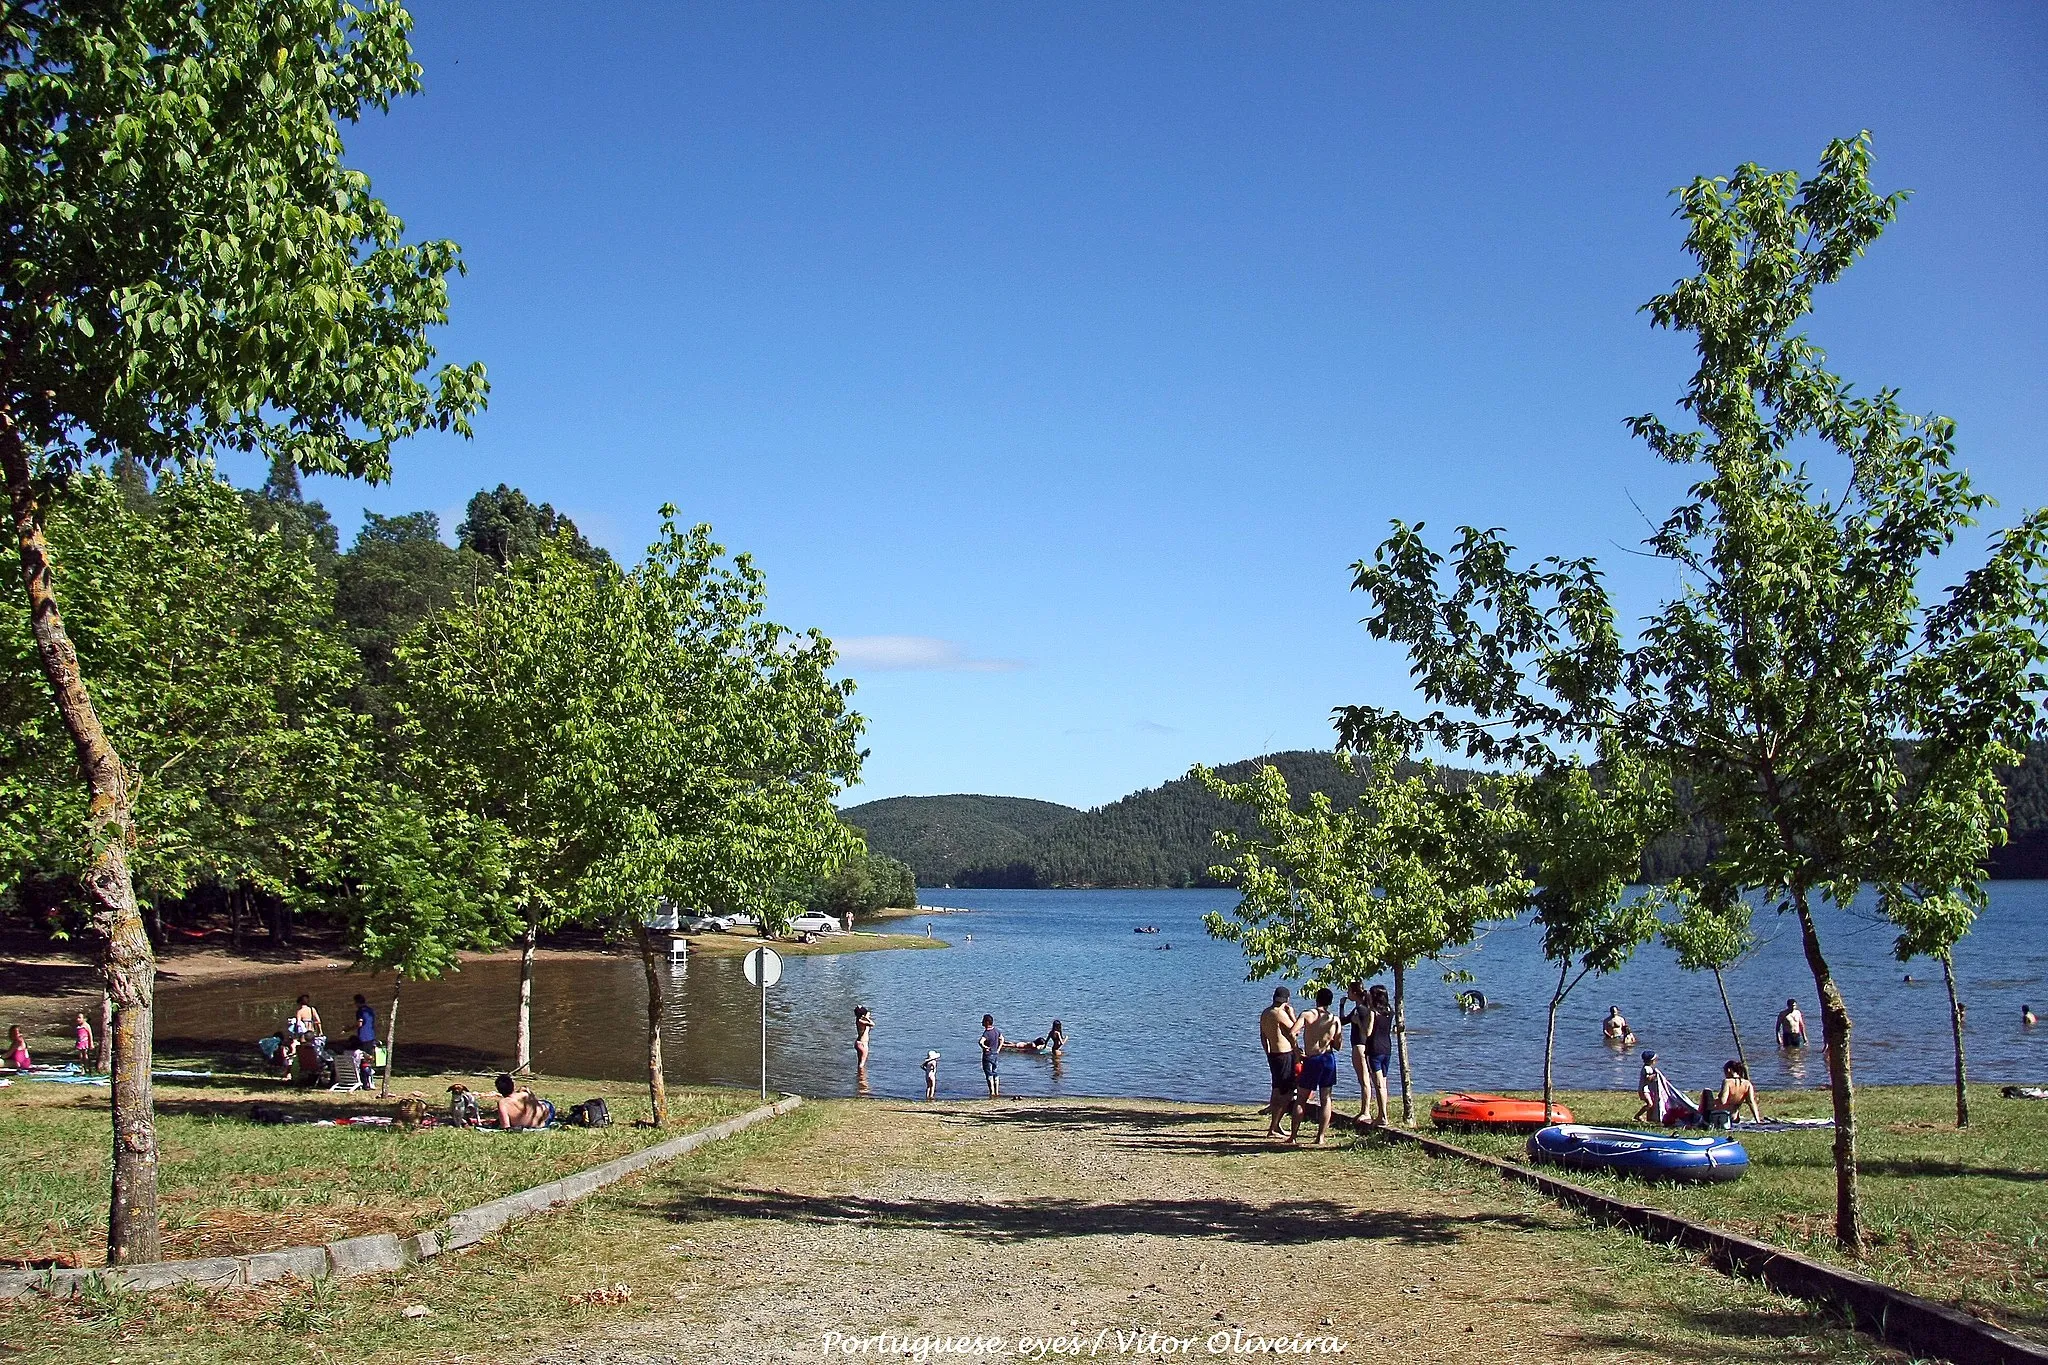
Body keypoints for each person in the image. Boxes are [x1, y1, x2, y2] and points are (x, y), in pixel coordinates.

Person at [1292, 987, 1343, 1145]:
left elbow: (1292, 1031)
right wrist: (1328, 1038)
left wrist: (1296, 1050)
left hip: (1312, 1059)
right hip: (1327, 1059)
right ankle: (1320, 1136)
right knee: (1326, 1098)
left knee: (1301, 1098)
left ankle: (1293, 1136)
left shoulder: (1307, 1014)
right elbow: (1338, 1045)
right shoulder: (1334, 1019)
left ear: (1316, 999)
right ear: (1330, 1002)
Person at [1258, 986, 1302, 1138]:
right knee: (1287, 1092)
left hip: (1273, 1054)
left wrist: (1267, 1052)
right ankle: (1274, 1126)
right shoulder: (1279, 1014)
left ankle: (1274, 1126)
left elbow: (1263, 1036)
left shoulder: (1265, 1013)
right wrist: (1292, 1014)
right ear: (1287, 1000)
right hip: (1283, 1054)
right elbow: (1296, 1030)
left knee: (1277, 1089)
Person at [1340, 982, 1372, 1120]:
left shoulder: (1361, 1009)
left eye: (1348, 991)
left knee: (1364, 1080)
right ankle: (1364, 1110)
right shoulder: (1359, 1008)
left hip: (1360, 1046)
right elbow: (1343, 1021)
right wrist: (1341, 1006)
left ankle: (1366, 1111)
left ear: (1354, 993)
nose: (1347, 994)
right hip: (1359, 1046)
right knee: (1363, 1079)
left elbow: (1366, 1030)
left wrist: (1357, 1021)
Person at [1701, 1059, 1762, 1128]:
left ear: (1729, 1070)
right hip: (1734, 1117)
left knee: (1707, 1092)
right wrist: (1758, 1120)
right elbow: (1751, 1102)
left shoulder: (1727, 1082)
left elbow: (1723, 1101)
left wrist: (1716, 1099)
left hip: (1721, 1115)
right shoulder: (1747, 1084)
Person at [979, 1014, 1004, 1098]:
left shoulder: (986, 1033)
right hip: (995, 1054)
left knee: (989, 1074)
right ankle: (997, 1091)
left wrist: (984, 1047)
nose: (982, 1022)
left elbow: (980, 1041)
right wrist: (999, 1048)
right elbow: (1002, 1039)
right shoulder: (997, 1031)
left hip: (988, 1055)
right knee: (995, 1073)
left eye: (983, 1021)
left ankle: (992, 1092)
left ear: (987, 1022)